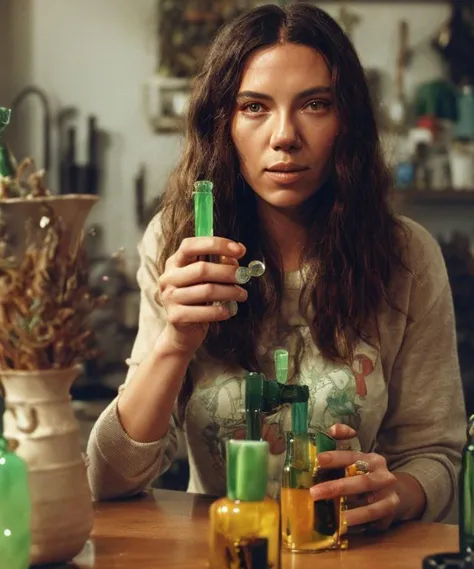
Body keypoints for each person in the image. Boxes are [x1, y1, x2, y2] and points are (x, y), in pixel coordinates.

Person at [87, 2, 466, 532]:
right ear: (223, 124)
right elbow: (109, 478)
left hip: (351, 552)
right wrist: (175, 342)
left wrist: (395, 494)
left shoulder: (406, 257)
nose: (284, 135)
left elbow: (438, 454)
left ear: (347, 122)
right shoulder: (180, 245)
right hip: (223, 547)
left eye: (314, 104)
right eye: (255, 107)